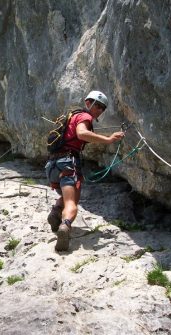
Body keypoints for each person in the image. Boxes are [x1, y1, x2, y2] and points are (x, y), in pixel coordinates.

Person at [45, 90, 124, 251]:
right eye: (98, 106)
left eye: (103, 108)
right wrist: (108, 140)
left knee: (66, 195)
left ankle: (55, 213)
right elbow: (81, 134)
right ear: (88, 103)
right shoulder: (85, 117)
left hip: (53, 164)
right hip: (68, 162)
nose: (100, 110)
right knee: (72, 202)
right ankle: (65, 225)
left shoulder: (71, 116)